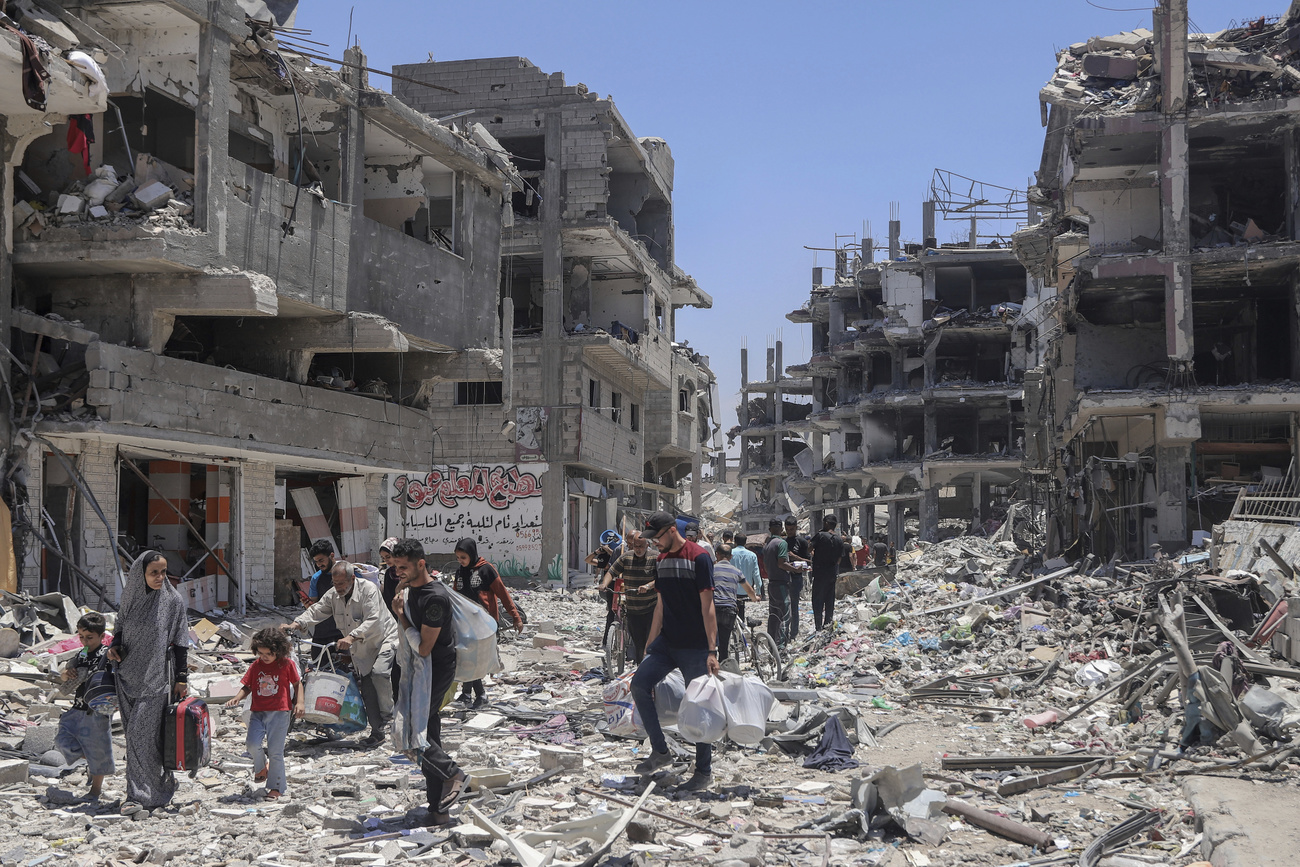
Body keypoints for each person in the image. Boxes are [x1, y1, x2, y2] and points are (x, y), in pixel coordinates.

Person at [629, 512, 720, 793]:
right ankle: (661, 751)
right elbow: (660, 605)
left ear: (671, 531)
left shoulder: (699, 558)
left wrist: (712, 649)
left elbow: (708, 606)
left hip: (695, 647)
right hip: (667, 643)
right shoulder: (661, 561)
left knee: (699, 707)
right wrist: (649, 644)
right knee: (639, 685)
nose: (654, 543)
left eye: (657, 537)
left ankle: (703, 771)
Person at [389, 538, 468, 825]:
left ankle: (454, 774)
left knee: (412, 736)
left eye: (403, 567)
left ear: (421, 564)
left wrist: (401, 615)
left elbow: (423, 647)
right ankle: (439, 811)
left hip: (433, 672)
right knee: (429, 738)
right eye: (395, 566)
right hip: (413, 671)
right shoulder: (409, 590)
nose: (398, 571)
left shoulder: (435, 598)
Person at [106, 551, 189, 814]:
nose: (160, 577)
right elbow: (120, 630)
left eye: (163, 572)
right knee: (139, 739)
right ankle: (158, 789)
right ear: (140, 573)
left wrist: (181, 678)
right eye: (154, 572)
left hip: (157, 679)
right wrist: (114, 648)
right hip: (127, 676)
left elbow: (181, 642)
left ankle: (139, 797)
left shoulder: (172, 601)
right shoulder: (130, 598)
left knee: (139, 736)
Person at [285, 560, 398, 747]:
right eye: (335, 584)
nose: (337, 587)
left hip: (384, 638)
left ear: (352, 579)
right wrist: (296, 624)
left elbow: (373, 619)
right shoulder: (334, 595)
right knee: (368, 690)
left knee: (379, 673)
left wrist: (351, 637)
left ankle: (389, 715)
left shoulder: (368, 590)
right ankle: (377, 733)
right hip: (362, 647)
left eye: (341, 583)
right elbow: (317, 610)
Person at [223, 627, 303, 800]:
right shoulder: (256, 665)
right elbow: (248, 686)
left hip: (280, 713)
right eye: (261, 653)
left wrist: (300, 703)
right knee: (251, 744)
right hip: (258, 712)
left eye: (268, 653)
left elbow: (297, 684)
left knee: (276, 752)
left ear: (278, 651)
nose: (264, 657)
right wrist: (237, 698)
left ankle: (276, 786)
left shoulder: (286, 664)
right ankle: (260, 766)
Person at [451, 537, 523, 707]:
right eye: (458, 558)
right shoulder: (460, 572)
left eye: (463, 557)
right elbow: (455, 596)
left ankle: (480, 695)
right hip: (465, 623)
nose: (460, 561)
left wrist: (516, 617)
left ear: (471, 554)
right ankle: (467, 694)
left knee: (475, 660)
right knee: (467, 658)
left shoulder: (486, 570)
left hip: (484, 624)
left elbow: (502, 593)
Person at [51, 612, 114, 799]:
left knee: (98, 748)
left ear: (102, 637)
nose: (85, 641)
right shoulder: (82, 653)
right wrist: (67, 673)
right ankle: (91, 761)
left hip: (97, 710)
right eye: (81, 637)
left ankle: (95, 790)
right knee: (62, 740)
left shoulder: (106, 654)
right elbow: (63, 676)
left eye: (89, 638)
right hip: (77, 707)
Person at [599, 530, 657, 663]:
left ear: (647, 545)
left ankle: (649, 669)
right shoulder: (626, 557)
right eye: (635, 546)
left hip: (651, 609)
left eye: (641, 546)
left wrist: (648, 586)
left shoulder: (655, 557)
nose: (638, 549)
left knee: (650, 644)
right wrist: (604, 584)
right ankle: (639, 670)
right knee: (638, 643)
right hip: (633, 609)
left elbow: (661, 578)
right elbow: (611, 572)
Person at [712, 544, 758, 663]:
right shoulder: (737, 572)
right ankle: (723, 669)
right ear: (731, 557)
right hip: (729, 610)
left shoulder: (711, 569)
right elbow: (749, 590)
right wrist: (754, 598)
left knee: (711, 642)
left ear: (717, 554)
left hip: (713, 609)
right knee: (724, 642)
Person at [762, 519, 802, 649]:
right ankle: (780, 647)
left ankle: (771, 645)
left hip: (772, 584)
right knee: (785, 616)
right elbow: (781, 563)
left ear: (770, 529)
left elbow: (769, 566)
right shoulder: (782, 543)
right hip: (781, 584)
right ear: (781, 529)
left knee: (774, 616)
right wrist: (795, 569)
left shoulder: (767, 545)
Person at [809, 516, 846, 631]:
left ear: (826, 523)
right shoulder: (839, 539)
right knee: (829, 600)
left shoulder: (820, 536)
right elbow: (840, 559)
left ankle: (818, 627)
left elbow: (809, 547)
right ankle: (827, 624)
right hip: (832, 574)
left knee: (817, 601)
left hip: (820, 573)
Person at [303, 540, 343, 647]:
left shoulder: (346, 574)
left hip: (344, 633)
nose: (319, 564)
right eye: (316, 562)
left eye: (321, 560)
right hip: (322, 633)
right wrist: (308, 606)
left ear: (332, 555)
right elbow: (314, 605)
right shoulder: (316, 578)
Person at [378, 537, 402, 700]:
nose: (387, 561)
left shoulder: (408, 572)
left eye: (389, 557)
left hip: (409, 622)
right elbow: (387, 600)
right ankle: (398, 697)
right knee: (396, 663)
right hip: (394, 624)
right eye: (384, 559)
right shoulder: (388, 575)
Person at [783, 517, 810, 640]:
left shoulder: (802, 542)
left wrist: (795, 557)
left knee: (793, 606)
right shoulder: (782, 543)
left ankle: (793, 633)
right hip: (783, 578)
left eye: (792, 529)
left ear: (796, 527)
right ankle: (784, 632)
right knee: (784, 607)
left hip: (796, 578)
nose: (789, 532)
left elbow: (809, 562)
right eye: (787, 529)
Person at [730, 532, 762, 602]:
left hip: (732, 591)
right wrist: (758, 592)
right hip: (747, 591)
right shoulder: (752, 555)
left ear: (735, 542)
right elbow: (756, 574)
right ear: (745, 542)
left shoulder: (730, 554)